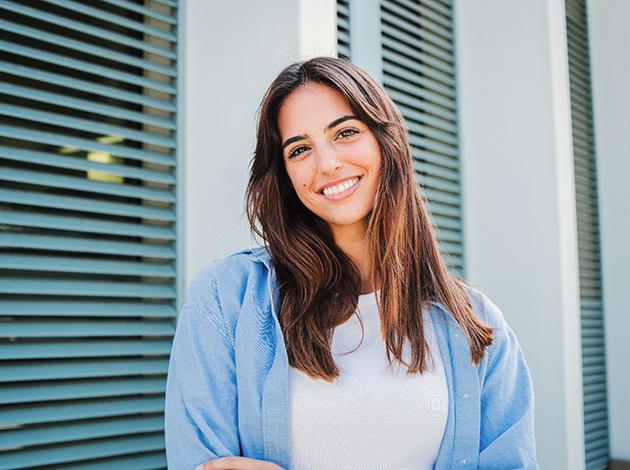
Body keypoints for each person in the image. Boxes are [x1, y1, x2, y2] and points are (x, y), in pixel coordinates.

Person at [165, 57, 538, 470]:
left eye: (345, 132)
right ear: (284, 173)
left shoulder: (477, 326)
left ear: (385, 141)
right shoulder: (224, 300)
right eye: (300, 149)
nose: (326, 164)